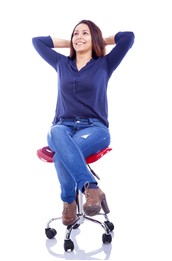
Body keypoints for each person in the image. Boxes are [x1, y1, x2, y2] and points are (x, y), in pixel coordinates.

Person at [32, 19, 135, 226]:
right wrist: (73, 44)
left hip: (95, 128)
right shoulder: (62, 63)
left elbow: (128, 37)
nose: (79, 36)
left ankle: (68, 201)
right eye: (75, 33)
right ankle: (91, 188)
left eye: (85, 33)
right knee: (56, 133)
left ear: (94, 38)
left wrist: (100, 41)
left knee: (64, 152)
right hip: (63, 126)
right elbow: (37, 41)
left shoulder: (105, 63)